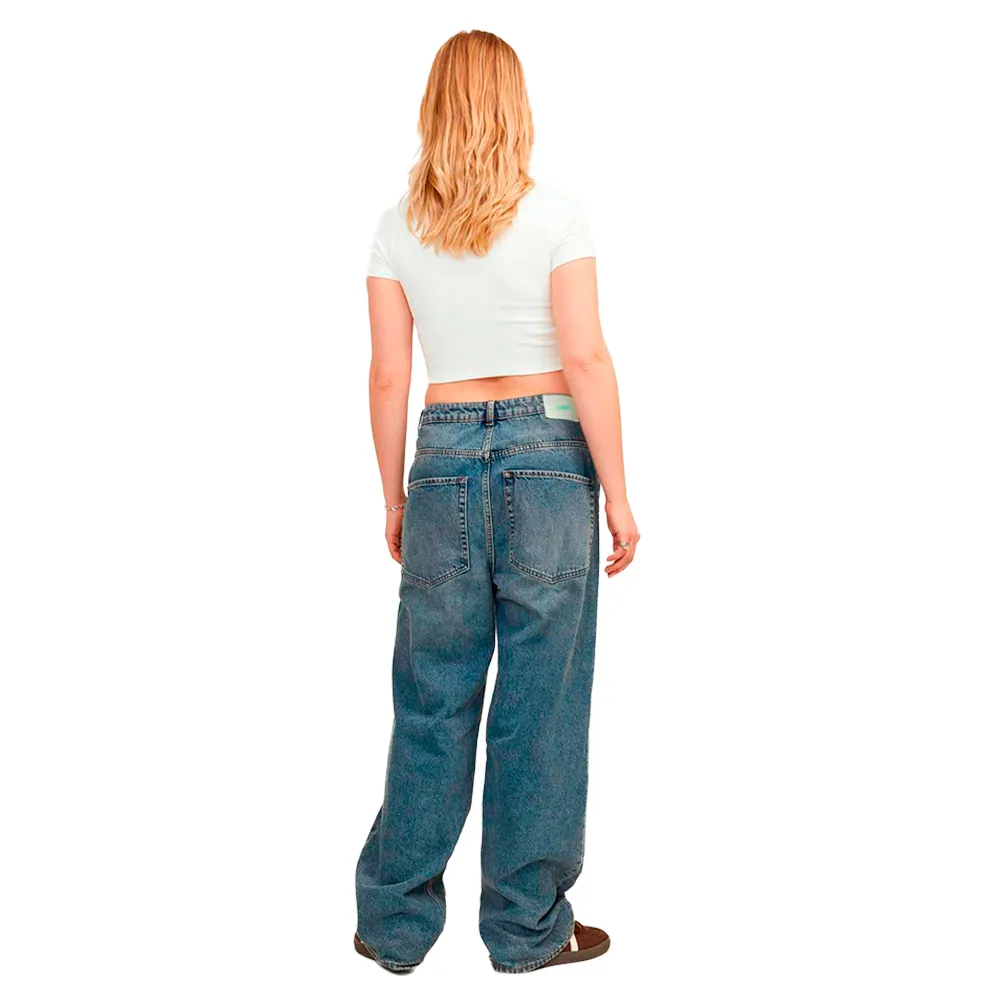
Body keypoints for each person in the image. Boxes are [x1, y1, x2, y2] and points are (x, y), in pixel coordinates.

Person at [354, 29, 639, 975]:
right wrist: (619, 495)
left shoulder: (397, 227)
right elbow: (586, 358)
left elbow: (388, 376)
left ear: (434, 108)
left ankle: (393, 926)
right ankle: (524, 928)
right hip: (550, 457)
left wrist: (393, 494)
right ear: (515, 107)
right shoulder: (557, 217)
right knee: (539, 704)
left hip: (439, 458)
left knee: (431, 697)